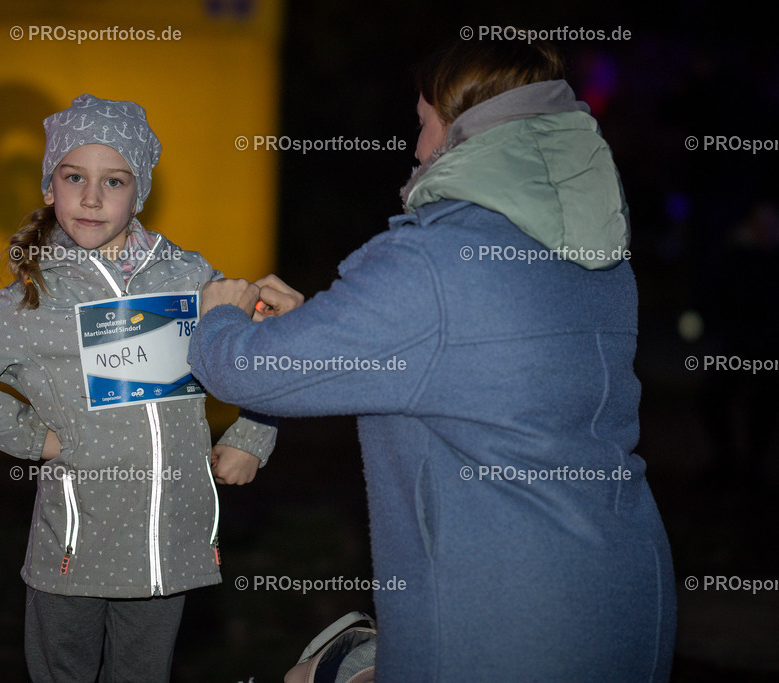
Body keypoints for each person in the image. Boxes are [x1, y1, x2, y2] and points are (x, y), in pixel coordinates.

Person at [190, 40, 676, 681]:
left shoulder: (431, 260)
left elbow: (242, 371)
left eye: (423, 124)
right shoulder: (594, 256)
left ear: (465, 129)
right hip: (623, 601)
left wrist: (220, 315)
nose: (418, 149)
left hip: (506, 624)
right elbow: (450, 362)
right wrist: (316, 329)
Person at [0, 94, 276, 682]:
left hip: (169, 548)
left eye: (114, 180)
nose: (91, 197)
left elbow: (261, 348)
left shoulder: (188, 277)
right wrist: (38, 439)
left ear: (140, 193)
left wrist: (252, 434)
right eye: (73, 176)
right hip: (75, 554)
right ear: (48, 187)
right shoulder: (31, 301)